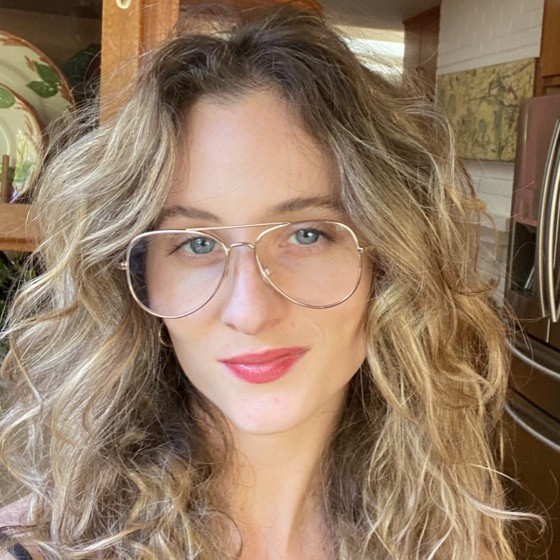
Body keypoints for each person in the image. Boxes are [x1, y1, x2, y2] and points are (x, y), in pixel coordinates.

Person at [0, 4, 540, 559]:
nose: (250, 311)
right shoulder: (42, 547)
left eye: (307, 235)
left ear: (390, 262)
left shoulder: (449, 536)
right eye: (197, 243)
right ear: (140, 281)